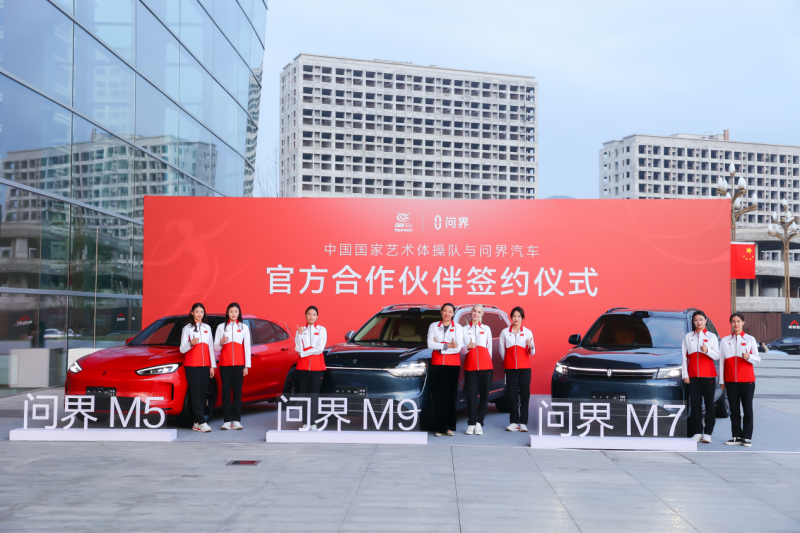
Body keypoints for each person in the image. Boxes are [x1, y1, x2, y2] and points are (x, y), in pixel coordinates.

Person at [720, 313, 760, 447]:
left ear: (743, 322)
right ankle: (736, 436)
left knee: (747, 409)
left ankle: (747, 437)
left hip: (747, 381)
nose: (736, 324)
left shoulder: (750, 339)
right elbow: (722, 362)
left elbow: (758, 359)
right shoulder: (725, 341)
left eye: (738, 321)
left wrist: (749, 357)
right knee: (734, 410)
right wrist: (722, 381)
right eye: (733, 321)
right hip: (730, 381)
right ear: (730, 323)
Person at [681, 310, 720, 443]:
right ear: (693, 322)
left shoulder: (711, 337)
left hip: (708, 376)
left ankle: (708, 433)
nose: (698, 322)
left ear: (705, 321)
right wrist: (685, 374)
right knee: (695, 404)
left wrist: (707, 350)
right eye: (696, 320)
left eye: (701, 319)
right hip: (693, 376)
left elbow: (717, 356)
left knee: (709, 404)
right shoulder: (688, 337)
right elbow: (684, 357)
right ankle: (697, 432)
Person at [426, 303, 464, 437]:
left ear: (453, 313)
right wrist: (448, 345)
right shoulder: (433, 326)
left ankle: (449, 427)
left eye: (450, 311)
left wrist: (440, 346)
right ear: (441, 312)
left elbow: (457, 348)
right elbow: (430, 344)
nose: (447, 314)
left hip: (453, 365)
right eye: (445, 311)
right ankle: (440, 427)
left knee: (451, 395)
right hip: (437, 364)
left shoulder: (458, 327)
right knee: (439, 395)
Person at [179, 303, 216, 432]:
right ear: (192, 313)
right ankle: (202, 422)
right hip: (192, 365)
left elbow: (210, 348)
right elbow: (182, 349)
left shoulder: (207, 328)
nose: (199, 314)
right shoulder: (187, 329)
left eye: (201, 312)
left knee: (202, 394)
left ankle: (196, 422)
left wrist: (212, 366)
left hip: (205, 365)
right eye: (197, 311)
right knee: (195, 393)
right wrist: (191, 343)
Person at [214, 302, 251, 430]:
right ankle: (226, 421)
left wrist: (247, 366)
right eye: (231, 311)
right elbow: (216, 347)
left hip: (239, 365)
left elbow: (247, 347)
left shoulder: (244, 327)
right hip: (225, 364)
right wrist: (222, 342)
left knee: (237, 393)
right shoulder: (221, 327)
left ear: (239, 313)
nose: (233, 314)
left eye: (236, 311)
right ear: (227, 313)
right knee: (225, 392)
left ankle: (236, 420)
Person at [500, 306, 535, 432]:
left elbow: (532, 352)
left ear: (522, 318)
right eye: (514, 316)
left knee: (525, 395)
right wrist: (509, 362)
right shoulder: (505, 332)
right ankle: (514, 422)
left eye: (519, 316)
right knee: (512, 395)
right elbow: (502, 350)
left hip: (525, 368)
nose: (516, 318)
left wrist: (531, 346)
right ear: (511, 317)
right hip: (510, 368)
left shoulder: (528, 332)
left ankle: (523, 422)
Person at [295, 306, 327, 431]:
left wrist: (304, 353)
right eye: (309, 314)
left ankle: (313, 422)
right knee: (304, 396)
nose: (311, 316)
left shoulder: (322, 330)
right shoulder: (301, 330)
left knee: (314, 396)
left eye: (314, 314)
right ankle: (305, 422)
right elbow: (298, 348)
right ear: (305, 316)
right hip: (302, 368)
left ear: (317, 316)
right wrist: (299, 335)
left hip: (317, 368)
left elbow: (320, 348)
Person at [463, 304, 492, 436]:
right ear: (471, 312)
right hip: (470, 366)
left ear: (482, 314)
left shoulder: (486, 329)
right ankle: (471, 423)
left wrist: (489, 364)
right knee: (471, 395)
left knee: (484, 395)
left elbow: (489, 348)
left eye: (479, 312)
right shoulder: (464, 329)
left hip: (485, 366)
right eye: (474, 311)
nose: (476, 313)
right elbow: (462, 349)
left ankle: (479, 422)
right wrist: (467, 346)